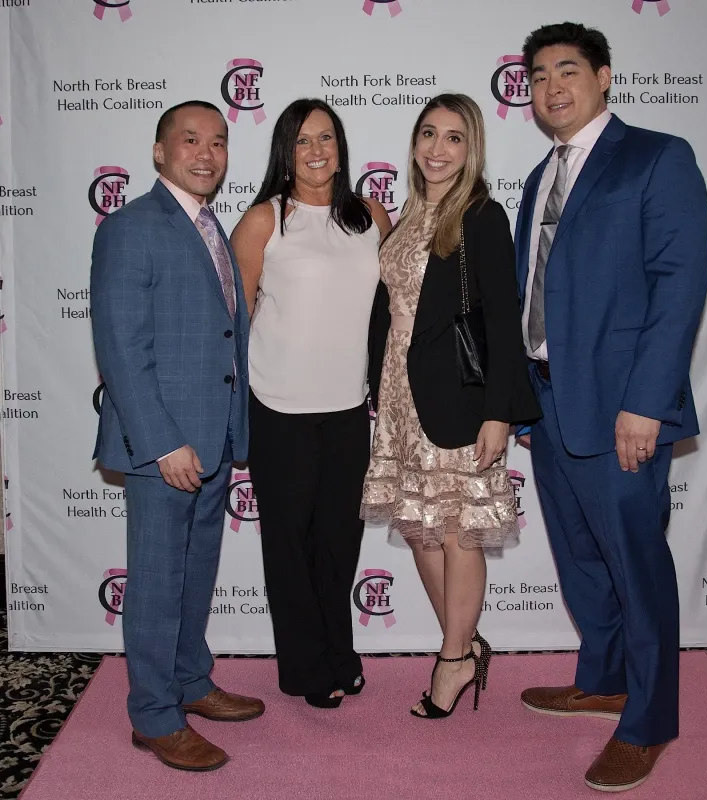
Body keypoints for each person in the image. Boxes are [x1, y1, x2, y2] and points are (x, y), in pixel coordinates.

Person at [513, 23, 707, 792]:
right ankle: (603, 680)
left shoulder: (656, 157)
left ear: (603, 77)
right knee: (581, 556)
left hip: (623, 408)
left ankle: (650, 720)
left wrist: (646, 404)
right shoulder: (540, 177)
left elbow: (678, 286)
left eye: (568, 70)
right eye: (538, 76)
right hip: (548, 402)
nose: (551, 87)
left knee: (636, 564)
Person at [90, 100, 262, 772]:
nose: (206, 154)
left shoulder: (210, 226)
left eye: (218, 142)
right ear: (160, 152)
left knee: (194, 575)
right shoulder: (131, 227)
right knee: (158, 582)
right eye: (189, 140)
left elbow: (223, 336)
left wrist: (230, 431)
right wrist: (163, 442)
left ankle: (190, 681)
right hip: (164, 447)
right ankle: (154, 716)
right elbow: (120, 347)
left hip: (212, 441)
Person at [362, 93, 540, 719]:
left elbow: (503, 320)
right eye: (428, 134)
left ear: (472, 149)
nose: (438, 149)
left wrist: (499, 411)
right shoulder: (410, 215)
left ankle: (453, 658)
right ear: (414, 143)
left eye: (454, 138)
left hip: (459, 399)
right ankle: (464, 647)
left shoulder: (481, 216)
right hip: (400, 398)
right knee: (420, 531)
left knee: (460, 533)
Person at [230, 99, 392, 709]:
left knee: (339, 544)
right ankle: (304, 670)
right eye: (302, 141)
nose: (316, 150)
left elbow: (397, 307)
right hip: (278, 411)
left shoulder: (371, 216)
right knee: (289, 549)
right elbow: (235, 322)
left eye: (325, 137)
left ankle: (339, 655)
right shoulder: (264, 220)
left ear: (341, 148)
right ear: (285, 152)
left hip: (349, 410)